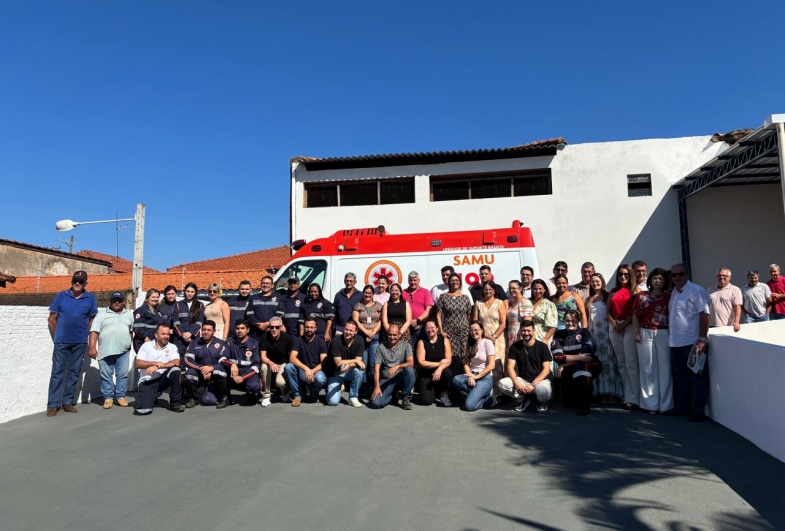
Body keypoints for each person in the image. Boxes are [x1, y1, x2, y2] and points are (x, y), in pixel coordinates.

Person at [46, 270, 98, 417]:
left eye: (81, 281)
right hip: (61, 342)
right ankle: (53, 405)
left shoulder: (90, 298)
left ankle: (67, 402)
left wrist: (85, 334)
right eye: (75, 280)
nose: (77, 283)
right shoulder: (61, 296)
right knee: (57, 373)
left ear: (85, 283)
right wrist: (59, 335)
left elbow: (92, 320)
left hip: (80, 342)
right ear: (72, 281)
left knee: (74, 373)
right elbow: (52, 319)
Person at [668, 263, 710, 422]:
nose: (677, 277)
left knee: (697, 377)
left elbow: (704, 315)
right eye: (674, 275)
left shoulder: (697, 291)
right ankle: (682, 407)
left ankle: (698, 410)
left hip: (692, 342)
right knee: (680, 377)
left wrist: (702, 339)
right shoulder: (674, 292)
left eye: (680, 274)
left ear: (687, 274)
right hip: (675, 343)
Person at [632, 268, 672, 414]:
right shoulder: (642, 296)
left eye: (660, 279)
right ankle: (650, 405)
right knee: (648, 369)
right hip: (646, 332)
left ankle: (665, 405)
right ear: (650, 280)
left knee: (665, 368)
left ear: (664, 281)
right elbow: (636, 315)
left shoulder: (669, 297)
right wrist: (636, 333)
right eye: (655, 278)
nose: (657, 281)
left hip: (664, 332)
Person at [88, 291, 133, 409]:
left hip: (123, 351)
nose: (116, 302)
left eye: (119, 300)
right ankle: (108, 398)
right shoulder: (102, 315)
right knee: (106, 375)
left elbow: (131, 331)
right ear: (110, 302)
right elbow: (94, 332)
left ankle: (120, 397)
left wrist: (129, 343)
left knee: (122, 375)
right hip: (106, 350)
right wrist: (92, 347)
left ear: (123, 301)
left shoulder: (129, 315)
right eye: (114, 300)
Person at [551, 310, 600, 416]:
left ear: (578, 321)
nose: (570, 323)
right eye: (567, 320)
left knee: (581, 370)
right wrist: (578, 357)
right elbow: (558, 357)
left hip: (589, 365)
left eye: (573, 321)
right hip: (570, 366)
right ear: (563, 321)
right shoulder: (558, 334)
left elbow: (587, 356)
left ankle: (585, 404)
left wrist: (565, 363)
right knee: (569, 403)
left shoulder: (584, 332)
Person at [498, 320, 553, 412]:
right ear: (520, 331)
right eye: (523, 331)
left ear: (533, 331)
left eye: (529, 331)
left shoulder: (542, 347)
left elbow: (546, 369)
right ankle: (523, 399)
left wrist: (533, 384)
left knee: (544, 393)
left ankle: (539, 401)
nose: (526, 333)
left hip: (540, 380)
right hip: (523, 379)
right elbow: (510, 367)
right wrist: (516, 382)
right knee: (502, 383)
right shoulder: (515, 347)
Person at [586, 273, 622, 402]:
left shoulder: (608, 296)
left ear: (602, 282)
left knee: (609, 361)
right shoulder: (589, 299)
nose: (595, 283)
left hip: (606, 333)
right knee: (597, 362)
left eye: (597, 281)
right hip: (593, 334)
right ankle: (599, 392)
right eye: (592, 282)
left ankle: (612, 392)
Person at [133, 324, 184, 415]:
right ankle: (152, 394)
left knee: (176, 370)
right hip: (148, 380)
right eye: (163, 334)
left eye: (168, 334)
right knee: (143, 410)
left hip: (162, 380)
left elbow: (176, 362)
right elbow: (138, 364)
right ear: (156, 335)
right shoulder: (146, 346)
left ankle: (174, 402)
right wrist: (154, 363)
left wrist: (158, 366)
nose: (166, 336)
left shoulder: (172, 347)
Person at [608, 264, 639, 410]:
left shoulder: (635, 291)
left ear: (631, 275)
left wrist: (623, 324)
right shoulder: (613, 292)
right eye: (620, 274)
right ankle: (627, 395)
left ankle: (634, 398)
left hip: (629, 327)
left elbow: (636, 312)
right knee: (621, 363)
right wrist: (615, 324)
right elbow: (608, 312)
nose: (623, 277)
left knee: (631, 363)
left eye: (626, 274)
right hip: (615, 328)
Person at [182, 320, 229, 409]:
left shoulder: (221, 343)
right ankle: (193, 398)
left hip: (215, 375)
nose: (206, 332)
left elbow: (224, 360)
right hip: (200, 373)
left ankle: (224, 398)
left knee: (219, 369)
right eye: (204, 330)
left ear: (214, 331)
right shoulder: (194, 343)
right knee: (189, 373)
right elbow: (188, 360)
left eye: (209, 330)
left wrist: (212, 368)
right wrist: (202, 369)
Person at [473, 282, 507, 399]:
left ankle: (499, 394)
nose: (488, 291)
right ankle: (485, 393)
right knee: (484, 364)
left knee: (497, 365)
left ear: (494, 290)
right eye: (486, 289)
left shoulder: (500, 303)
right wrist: (484, 335)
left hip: (497, 339)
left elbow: (503, 323)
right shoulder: (478, 303)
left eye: (490, 289)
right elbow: (475, 322)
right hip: (482, 338)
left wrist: (494, 337)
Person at [451, 321, 495, 411]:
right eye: (471, 330)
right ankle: (474, 394)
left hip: (485, 377)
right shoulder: (469, 344)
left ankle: (488, 400)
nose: (473, 332)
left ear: (482, 330)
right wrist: (470, 376)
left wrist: (476, 376)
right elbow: (466, 363)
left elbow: (491, 365)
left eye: (476, 330)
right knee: (456, 380)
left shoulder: (487, 343)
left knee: (469, 406)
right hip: (473, 374)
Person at [369, 324, 415, 410]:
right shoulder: (381, 347)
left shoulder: (406, 346)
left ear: (399, 335)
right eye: (390, 334)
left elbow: (411, 363)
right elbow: (376, 368)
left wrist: (398, 366)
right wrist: (377, 386)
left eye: (394, 335)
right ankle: (393, 396)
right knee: (375, 403)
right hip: (387, 380)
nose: (392, 337)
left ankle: (406, 397)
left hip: (401, 379)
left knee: (410, 370)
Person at [284, 317, 328, 406]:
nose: (309, 329)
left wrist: (312, 371)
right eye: (307, 327)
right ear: (304, 327)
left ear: (316, 328)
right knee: (288, 367)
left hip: (316, 372)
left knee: (321, 379)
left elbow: (324, 362)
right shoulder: (298, 340)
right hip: (302, 372)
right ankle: (297, 396)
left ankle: (314, 394)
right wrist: (306, 369)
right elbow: (292, 358)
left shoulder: (321, 342)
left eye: (311, 327)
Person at [436, 273, 473, 373]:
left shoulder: (465, 298)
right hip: (449, 331)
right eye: (452, 280)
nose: (454, 282)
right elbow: (438, 315)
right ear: (449, 282)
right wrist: (441, 330)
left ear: (460, 282)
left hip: (464, 331)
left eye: (457, 280)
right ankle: (451, 382)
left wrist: (468, 328)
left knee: (464, 355)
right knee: (450, 355)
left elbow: (469, 315)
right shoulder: (443, 297)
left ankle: (465, 378)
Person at [323, 320, 364, 407]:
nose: (348, 332)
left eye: (351, 330)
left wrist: (350, 365)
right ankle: (333, 389)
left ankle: (353, 397)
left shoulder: (360, 340)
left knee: (359, 371)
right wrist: (356, 361)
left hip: (349, 371)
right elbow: (338, 363)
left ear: (356, 332)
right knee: (332, 402)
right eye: (346, 329)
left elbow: (359, 361)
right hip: (335, 373)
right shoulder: (335, 340)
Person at [221, 318, 262, 405]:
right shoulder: (229, 342)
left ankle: (251, 394)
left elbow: (256, 366)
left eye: (242, 328)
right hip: (233, 371)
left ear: (248, 330)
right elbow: (222, 359)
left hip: (247, 372)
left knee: (255, 386)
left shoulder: (254, 343)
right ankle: (225, 398)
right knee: (218, 369)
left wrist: (243, 378)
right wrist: (232, 365)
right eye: (237, 328)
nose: (239, 331)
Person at [414, 320, 454, 406]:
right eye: (427, 328)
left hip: (440, 373)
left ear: (437, 329)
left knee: (448, 372)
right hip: (426, 375)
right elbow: (421, 363)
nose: (430, 330)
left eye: (432, 327)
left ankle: (443, 393)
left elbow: (448, 361)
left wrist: (439, 369)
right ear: (424, 330)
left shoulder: (444, 340)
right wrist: (439, 364)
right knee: (427, 401)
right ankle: (431, 393)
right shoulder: (421, 342)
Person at [352, 285, 382, 387]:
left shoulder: (378, 305)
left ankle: (373, 385)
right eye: (366, 293)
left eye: (370, 293)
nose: (367, 295)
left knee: (373, 364)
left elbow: (381, 320)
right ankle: (363, 386)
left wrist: (373, 332)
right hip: (361, 337)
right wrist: (366, 332)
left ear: (373, 294)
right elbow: (356, 320)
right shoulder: (358, 305)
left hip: (375, 337)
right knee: (363, 363)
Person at [260, 316, 293, 406]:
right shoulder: (264, 337)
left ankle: (285, 392)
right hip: (269, 363)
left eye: (277, 327)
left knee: (280, 382)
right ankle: (266, 396)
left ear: (281, 327)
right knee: (263, 367)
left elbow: (291, 356)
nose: (274, 329)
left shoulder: (287, 338)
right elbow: (263, 357)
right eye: (272, 327)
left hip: (283, 363)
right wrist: (271, 363)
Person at [403, 270, 434, 347]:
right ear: (408, 281)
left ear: (419, 281)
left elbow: (428, 309)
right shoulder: (403, 292)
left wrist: (417, 321)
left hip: (421, 326)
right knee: (409, 351)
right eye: (411, 280)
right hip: (407, 326)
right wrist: (410, 322)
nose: (413, 282)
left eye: (415, 280)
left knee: (421, 349)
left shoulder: (425, 292)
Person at [707, 268, 742, 332]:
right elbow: (706, 307)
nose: (721, 277)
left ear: (729, 277)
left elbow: (738, 307)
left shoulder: (735, 290)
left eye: (724, 275)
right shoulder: (710, 290)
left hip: (727, 325)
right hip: (711, 325)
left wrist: (737, 322)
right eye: (719, 275)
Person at [159, 285, 189, 355]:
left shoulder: (180, 306)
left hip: (176, 337)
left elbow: (183, 322)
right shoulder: (160, 307)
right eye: (168, 294)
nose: (170, 296)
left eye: (172, 294)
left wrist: (174, 330)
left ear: (176, 294)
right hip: (163, 336)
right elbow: (158, 322)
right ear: (165, 295)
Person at [246, 276, 278, 340]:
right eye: (263, 283)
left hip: (271, 332)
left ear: (272, 285)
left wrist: (268, 324)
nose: (265, 285)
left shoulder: (278, 298)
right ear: (260, 284)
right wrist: (258, 325)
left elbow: (279, 315)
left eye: (268, 283)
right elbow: (249, 314)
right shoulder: (253, 298)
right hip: (256, 333)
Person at [132, 288, 163, 353]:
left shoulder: (158, 311)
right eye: (153, 297)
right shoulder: (142, 310)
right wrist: (146, 339)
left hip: (154, 342)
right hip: (143, 342)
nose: (155, 299)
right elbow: (137, 328)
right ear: (147, 298)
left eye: (157, 297)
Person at [507, 280, 534, 348]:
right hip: (510, 337)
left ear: (520, 289)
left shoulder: (525, 302)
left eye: (514, 288)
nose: (511, 290)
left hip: (520, 337)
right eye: (510, 288)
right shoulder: (511, 303)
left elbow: (527, 323)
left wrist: (524, 338)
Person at [179, 282, 204, 354]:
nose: (190, 294)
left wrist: (191, 333)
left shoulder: (200, 305)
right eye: (188, 291)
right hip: (180, 339)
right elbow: (176, 321)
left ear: (195, 293)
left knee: (194, 358)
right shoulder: (178, 305)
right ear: (184, 292)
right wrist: (183, 334)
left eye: (192, 292)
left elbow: (200, 321)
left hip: (194, 338)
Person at [530, 279, 558, 345]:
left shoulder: (549, 305)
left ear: (544, 289)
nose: (537, 291)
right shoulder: (528, 303)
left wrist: (545, 340)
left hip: (542, 337)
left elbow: (552, 326)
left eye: (540, 289)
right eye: (535, 289)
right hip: (528, 336)